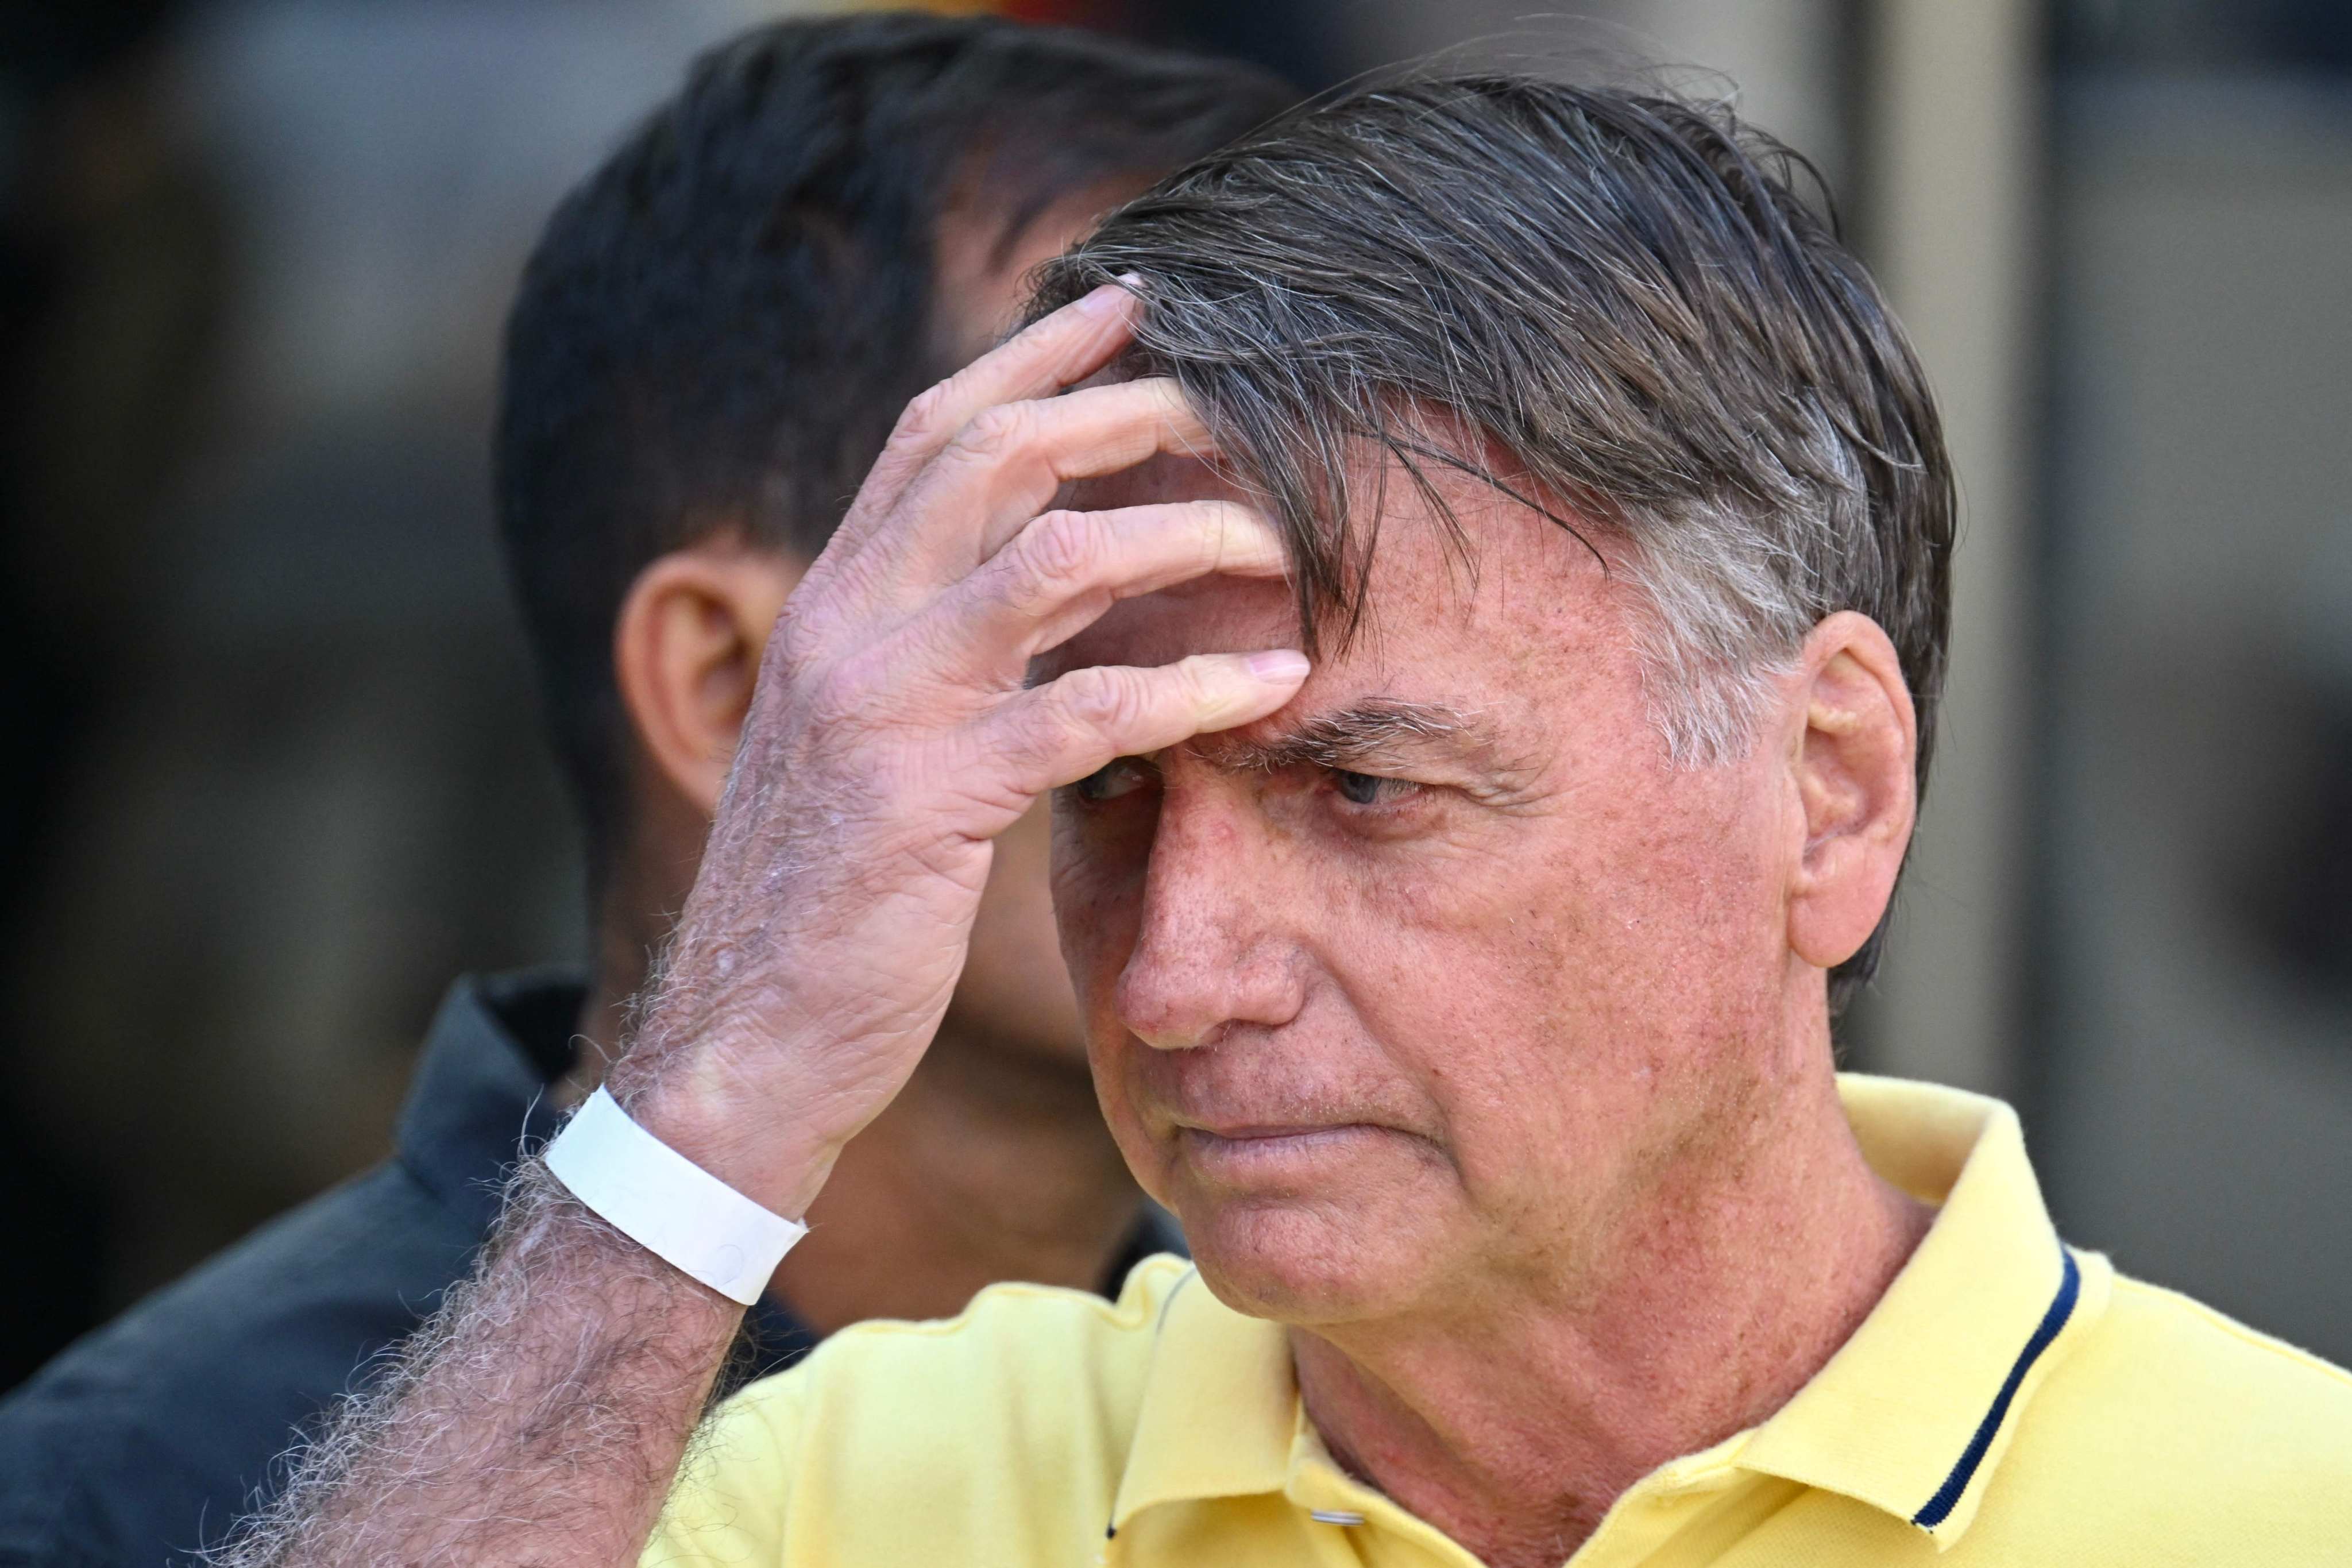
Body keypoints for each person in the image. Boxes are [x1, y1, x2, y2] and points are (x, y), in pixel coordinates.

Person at [217, 71, 2352, 1568]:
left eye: (1362, 787)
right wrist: (715, 1088)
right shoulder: (859, 1481)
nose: (1170, 968)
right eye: (1108, 792)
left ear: (1828, 788)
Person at [0, 17, 1293, 1568]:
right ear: (724, 684)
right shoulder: (140, 1484)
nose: (1262, 661)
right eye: (1120, 524)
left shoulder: (1368, 1386)